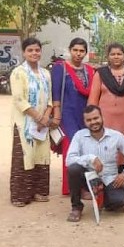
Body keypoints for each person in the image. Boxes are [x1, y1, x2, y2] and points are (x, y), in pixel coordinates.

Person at [65, 105, 124, 222]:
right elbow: (69, 160)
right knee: (73, 169)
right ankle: (76, 207)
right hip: (89, 179)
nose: (93, 122)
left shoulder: (116, 136)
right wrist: (91, 158)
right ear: (84, 122)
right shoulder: (79, 136)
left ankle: (103, 200)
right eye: (89, 120)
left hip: (110, 179)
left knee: (118, 202)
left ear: (102, 117)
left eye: (96, 118)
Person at [10, 37, 54, 207]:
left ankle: (40, 191)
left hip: (43, 124)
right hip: (24, 124)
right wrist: (37, 117)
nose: (34, 53)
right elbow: (19, 99)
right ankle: (21, 195)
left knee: (41, 156)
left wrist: (46, 116)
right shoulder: (18, 73)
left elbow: (50, 98)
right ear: (24, 52)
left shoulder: (46, 73)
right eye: (30, 50)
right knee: (25, 156)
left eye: (37, 50)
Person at [51, 37, 95, 196]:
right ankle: (71, 188)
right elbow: (56, 92)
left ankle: (84, 186)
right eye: (75, 50)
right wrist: (56, 114)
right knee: (71, 150)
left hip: (85, 115)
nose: (78, 53)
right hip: (67, 115)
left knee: (86, 148)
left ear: (86, 52)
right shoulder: (60, 68)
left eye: (82, 51)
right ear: (70, 50)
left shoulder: (90, 70)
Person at [87, 43, 124, 161]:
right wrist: (92, 120)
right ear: (108, 57)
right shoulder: (100, 73)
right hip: (106, 121)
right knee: (105, 153)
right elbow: (93, 100)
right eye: (112, 54)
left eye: (119, 54)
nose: (116, 57)